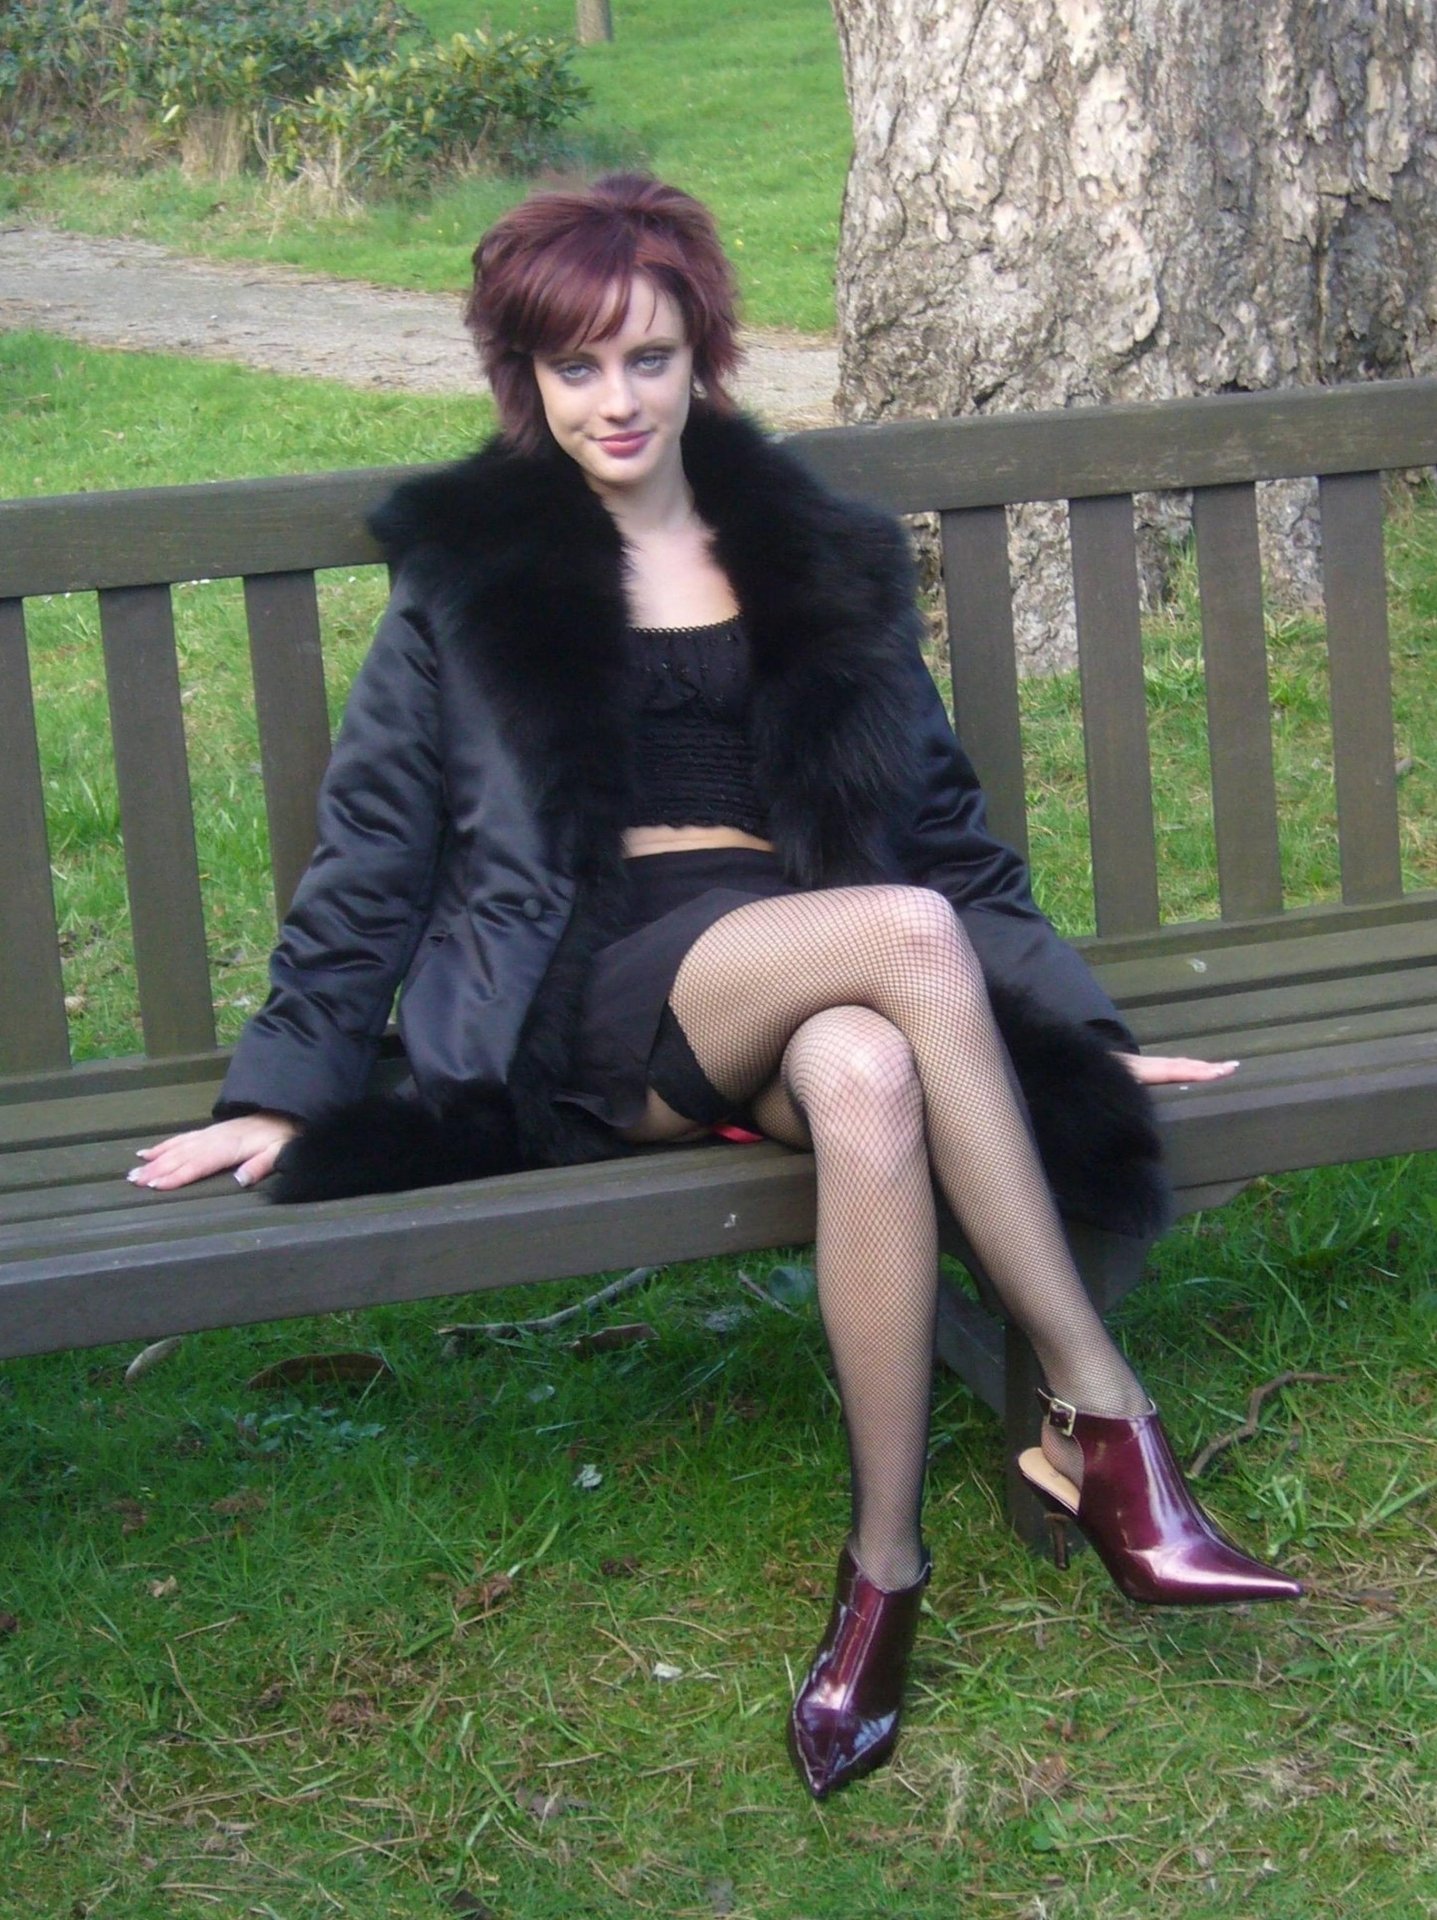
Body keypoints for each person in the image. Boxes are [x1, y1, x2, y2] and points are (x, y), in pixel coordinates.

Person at [131, 174, 1301, 1799]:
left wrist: (1076, 1038)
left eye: (649, 359)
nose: (615, 400)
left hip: (800, 949)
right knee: (902, 940)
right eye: (576, 367)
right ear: (525, 378)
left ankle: (881, 1574)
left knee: (870, 1072)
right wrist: (285, 1086)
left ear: (704, 362)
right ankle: (1103, 1416)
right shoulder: (472, 574)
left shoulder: (813, 555)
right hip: (591, 985)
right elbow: (376, 848)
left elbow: (942, 832)